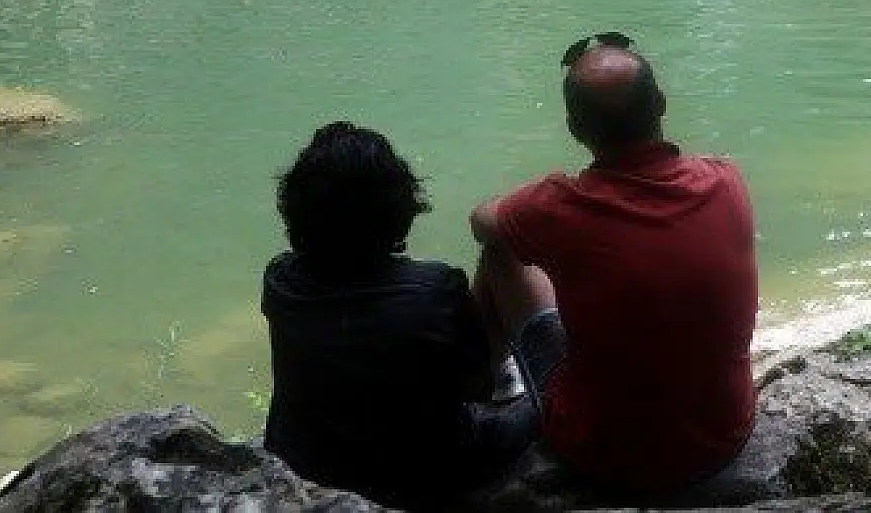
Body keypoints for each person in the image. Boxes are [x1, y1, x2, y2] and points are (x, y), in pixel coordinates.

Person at [469, 35, 757, 500]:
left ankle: (480, 391)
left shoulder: (561, 208)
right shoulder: (726, 180)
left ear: (575, 130)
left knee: (500, 250)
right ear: (661, 103)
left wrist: (546, 195)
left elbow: (482, 222)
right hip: (723, 436)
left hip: (603, 454)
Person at [262, 123, 535, 510]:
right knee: (547, 402)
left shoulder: (280, 281)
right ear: (398, 205)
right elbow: (475, 389)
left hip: (308, 464)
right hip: (425, 472)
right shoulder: (437, 289)